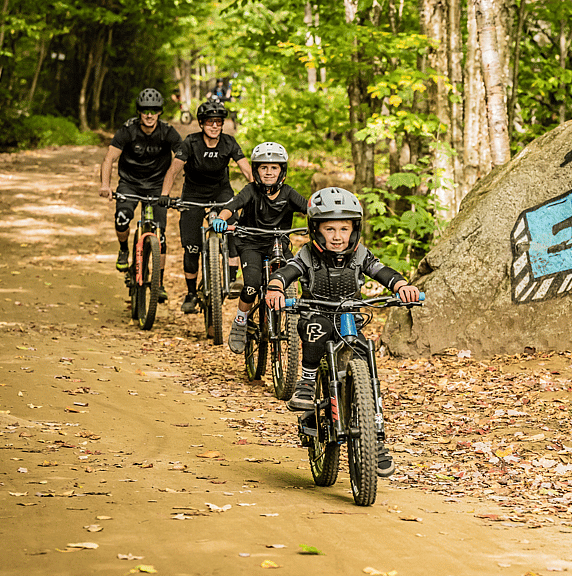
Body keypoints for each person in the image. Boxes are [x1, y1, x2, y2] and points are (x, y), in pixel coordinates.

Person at [263, 187, 420, 475]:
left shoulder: (360, 254)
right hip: (316, 312)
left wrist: (402, 286)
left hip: (348, 317)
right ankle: (308, 382)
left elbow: (382, 271)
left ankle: (376, 438)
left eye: (344, 228)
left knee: (364, 356)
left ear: (354, 229)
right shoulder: (308, 254)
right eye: (330, 228)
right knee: (316, 330)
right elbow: (288, 271)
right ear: (316, 230)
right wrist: (275, 287)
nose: (337, 236)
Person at [210, 142, 308, 353]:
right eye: (264, 167)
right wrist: (221, 218)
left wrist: (323, 221)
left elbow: (310, 209)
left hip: (278, 245)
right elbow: (232, 206)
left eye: (274, 168)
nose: (269, 172)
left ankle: (298, 321)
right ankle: (240, 321)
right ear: (256, 170)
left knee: (298, 274)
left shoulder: (289, 193)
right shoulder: (251, 191)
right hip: (251, 243)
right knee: (252, 284)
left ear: (282, 171)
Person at [160, 100, 253, 314]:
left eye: (218, 122)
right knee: (191, 247)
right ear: (201, 123)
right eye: (210, 122)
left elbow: (247, 170)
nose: (215, 126)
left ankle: (232, 277)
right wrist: (165, 195)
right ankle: (191, 293)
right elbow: (173, 171)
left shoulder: (229, 143)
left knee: (233, 230)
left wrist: (259, 191)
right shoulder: (191, 143)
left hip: (221, 192)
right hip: (193, 194)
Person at [99, 88, 182, 303]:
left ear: (159, 112)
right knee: (122, 219)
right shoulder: (128, 130)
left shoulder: (167, 131)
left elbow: (184, 155)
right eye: (145, 110)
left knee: (161, 234)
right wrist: (105, 185)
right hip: (130, 184)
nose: (149, 114)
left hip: (157, 186)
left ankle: (159, 283)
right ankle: (124, 249)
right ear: (139, 112)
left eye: (154, 110)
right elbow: (109, 158)